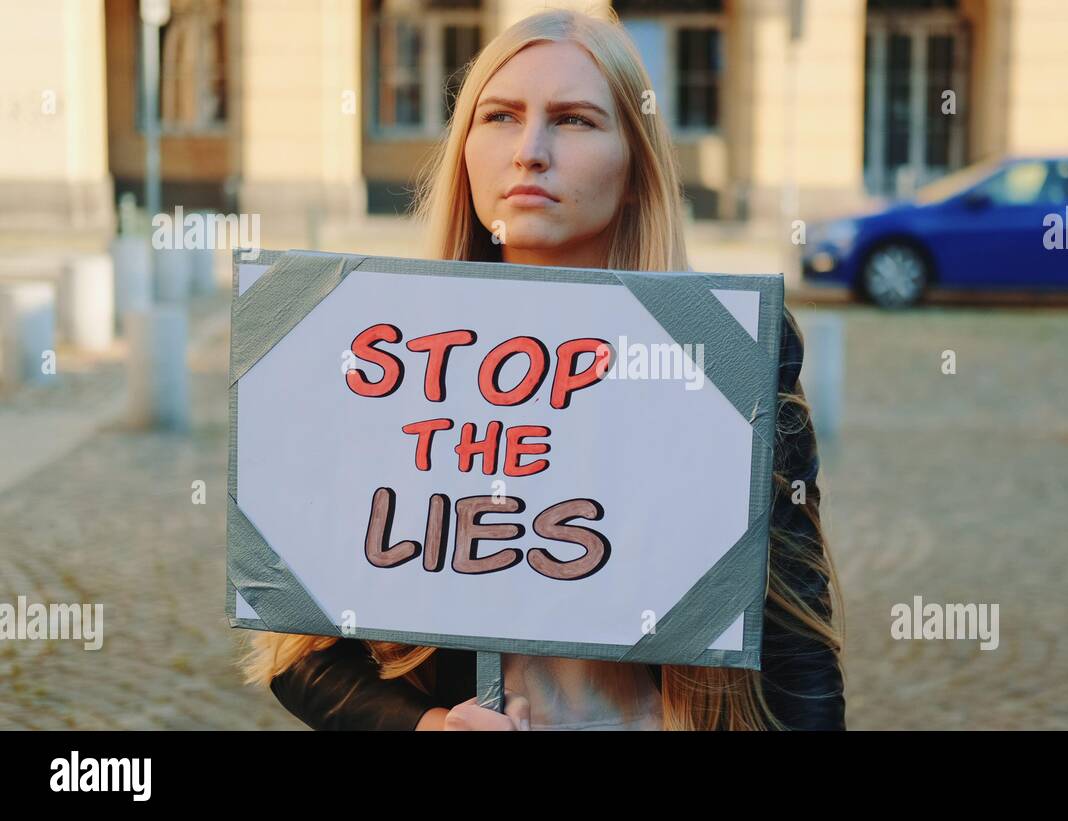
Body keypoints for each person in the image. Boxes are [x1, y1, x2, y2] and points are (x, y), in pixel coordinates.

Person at [239, 6, 845, 731]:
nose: (529, 150)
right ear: (464, 149)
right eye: (498, 116)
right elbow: (299, 652)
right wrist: (427, 727)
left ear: (635, 165)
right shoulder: (382, 351)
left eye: (574, 120)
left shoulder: (726, 354)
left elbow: (797, 652)